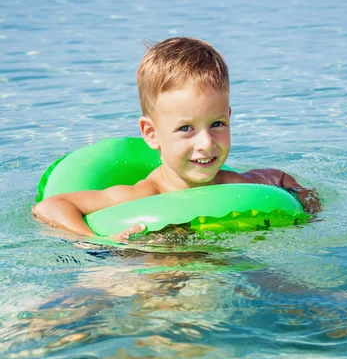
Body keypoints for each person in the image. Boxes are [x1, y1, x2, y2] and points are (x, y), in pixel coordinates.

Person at [32, 37, 321, 242]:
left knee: (272, 281)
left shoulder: (234, 184)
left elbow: (278, 178)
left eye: (217, 124)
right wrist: (95, 240)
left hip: (215, 262)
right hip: (148, 266)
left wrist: (304, 198)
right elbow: (49, 207)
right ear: (151, 133)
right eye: (186, 129)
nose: (206, 143)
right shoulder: (144, 194)